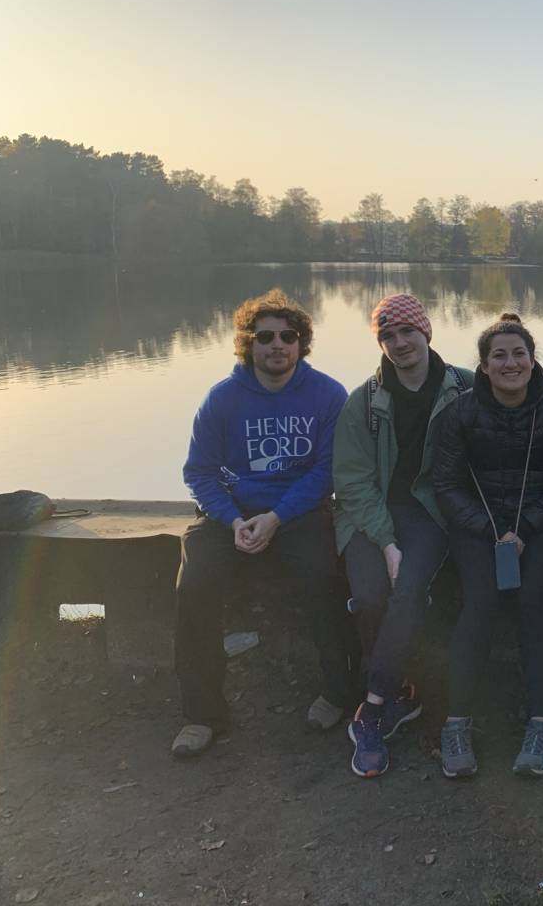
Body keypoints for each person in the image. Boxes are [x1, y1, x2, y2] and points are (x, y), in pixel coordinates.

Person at [172, 289, 352, 759]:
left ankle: (338, 692)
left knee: (325, 577)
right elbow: (200, 472)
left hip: (298, 513)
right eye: (265, 336)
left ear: (301, 343)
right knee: (194, 587)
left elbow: (327, 472)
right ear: (248, 343)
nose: (277, 345)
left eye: (288, 336)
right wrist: (233, 520)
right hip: (226, 516)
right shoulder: (222, 399)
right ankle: (202, 715)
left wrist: (276, 517)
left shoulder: (329, 395)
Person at [431, 313, 543, 779]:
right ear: (482, 366)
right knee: (478, 602)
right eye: (499, 355)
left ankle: (540, 723)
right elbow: (446, 484)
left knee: (535, 601)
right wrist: (489, 529)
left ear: (532, 359)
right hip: (481, 528)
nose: (510, 363)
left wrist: (526, 527)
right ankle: (456, 722)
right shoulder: (460, 413)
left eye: (519, 353)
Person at [332, 294, 473, 778]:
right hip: (368, 515)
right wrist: (387, 541)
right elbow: (350, 481)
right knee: (370, 595)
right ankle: (400, 693)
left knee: (409, 590)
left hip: (431, 514)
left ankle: (371, 708)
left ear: (427, 331)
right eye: (387, 336)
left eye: (406, 332)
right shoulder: (363, 401)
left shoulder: (466, 389)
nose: (398, 343)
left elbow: (518, 403)